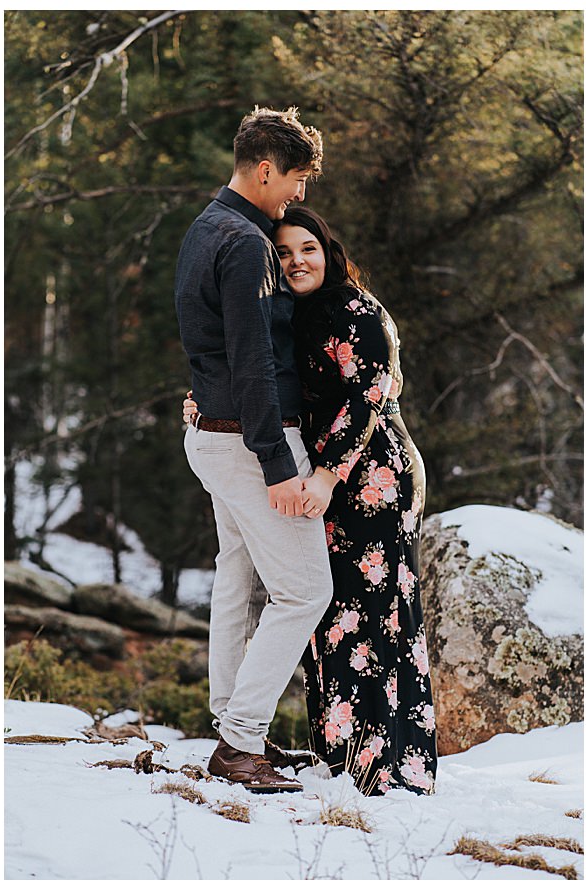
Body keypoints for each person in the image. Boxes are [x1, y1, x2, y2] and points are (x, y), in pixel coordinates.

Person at [184, 206, 438, 796]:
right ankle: (341, 751)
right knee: (330, 614)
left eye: (309, 249)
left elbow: (364, 402)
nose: (297, 261)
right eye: (285, 253)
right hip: (320, 476)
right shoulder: (292, 311)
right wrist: (206, 399)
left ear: (330, 252)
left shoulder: (358, 313)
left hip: (369, 476)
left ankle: (389, 763)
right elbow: (253, 367)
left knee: (373, 613)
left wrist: (325, 475)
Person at [175, 108, 334, 794]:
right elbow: (252, 362)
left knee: (236, 579)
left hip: (213, 435)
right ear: (266, 169)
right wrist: (277, 464)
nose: (297, 195)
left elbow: (208, 345)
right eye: (295, 180)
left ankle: (233, 725)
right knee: (305, 592)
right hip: (248, 442)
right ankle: (239, 744)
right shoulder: (244, 241)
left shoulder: (205, 227)